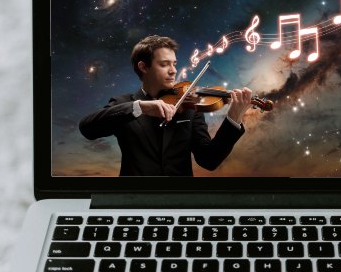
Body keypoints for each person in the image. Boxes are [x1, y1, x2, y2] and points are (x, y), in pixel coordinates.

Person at [79, 35, 251, 176]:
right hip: (135, 199)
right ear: (143, 67)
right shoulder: (124, 104)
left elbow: (209, 160)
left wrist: (233, 118)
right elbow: (87, 128)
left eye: (174, 64)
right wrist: (140, 107)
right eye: (164, 64)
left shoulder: (190, 108)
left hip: (180, 201)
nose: (173, 70)